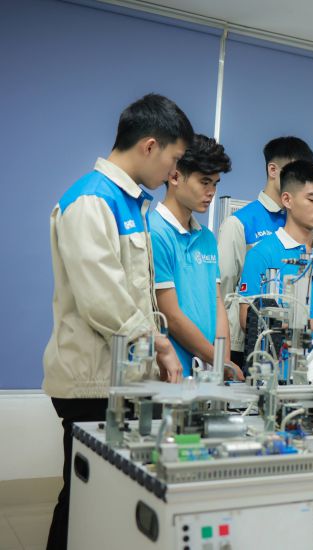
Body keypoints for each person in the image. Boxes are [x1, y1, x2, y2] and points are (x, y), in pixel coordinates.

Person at [43, 93, 191, 550]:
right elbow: (101, 300)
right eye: (174, 159)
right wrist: (161, 344)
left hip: (120, 379)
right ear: (149, 146)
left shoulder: (130, 204)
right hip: (91, 383)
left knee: (106, 497)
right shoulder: (91, 200)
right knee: (84, 495)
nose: (173, 172)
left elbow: (135, 294)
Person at [150, 134, 244, 381]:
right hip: (170, 371)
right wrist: (218, 361)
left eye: (215, 183)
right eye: (204, 182)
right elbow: (170, 315)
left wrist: (223, 360)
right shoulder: (154, 232)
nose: (211, 192)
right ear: (174, 176)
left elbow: (217, 302)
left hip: (207, 370)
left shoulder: (207, 238)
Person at [218, 137, 313, 366]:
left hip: (291, 346)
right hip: (244, 347)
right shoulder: (239, 223)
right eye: (295, 173)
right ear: (273, 170)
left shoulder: (302, 223)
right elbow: (222, 293)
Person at [238, 160, 313, 348]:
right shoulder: (262, 254)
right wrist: (311, 325)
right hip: (272, 370)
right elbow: (247, 323)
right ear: (287, 200)